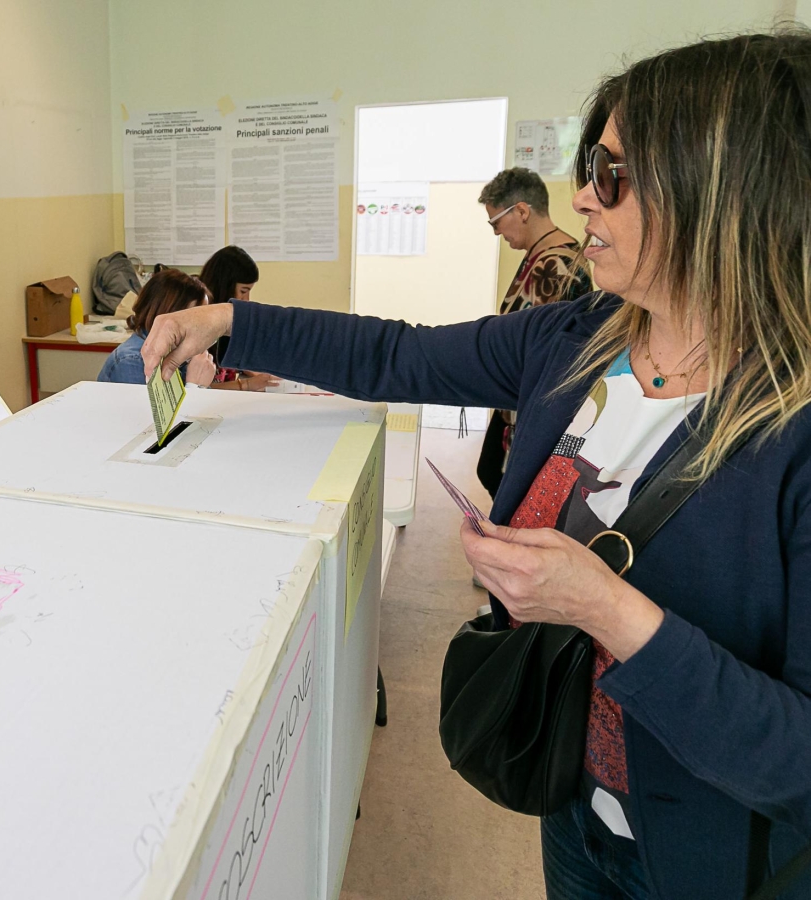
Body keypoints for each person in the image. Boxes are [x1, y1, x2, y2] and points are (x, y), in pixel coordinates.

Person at [142, 31, 811, 899]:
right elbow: (397, 356)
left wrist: (609, 611)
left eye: (612, 177)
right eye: (587, 167)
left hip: (714, 863)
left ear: (723, 195)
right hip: (571, 802)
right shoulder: (574, 342)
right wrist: (235, 320)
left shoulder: (788, 432)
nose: (581, 199)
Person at [477, 167, 592, 499]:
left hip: (532, 412)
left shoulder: (555, 265)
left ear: (522, 211)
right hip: (514, 407)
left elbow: (540, 356)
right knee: (489, 471)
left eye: (495, 222)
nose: (497, 233)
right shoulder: (542, 256)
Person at [97, 268, 216, 386]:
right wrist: (196, 386)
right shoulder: (132, 361)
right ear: (169, 314)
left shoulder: (176, 351)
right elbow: (152, 406)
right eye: (196, 319)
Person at [198, 245, 279, 392]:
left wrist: (251, 370)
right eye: (243, 291)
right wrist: (246, 385)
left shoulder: (230, 320)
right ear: (224, 286)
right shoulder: (200, 323)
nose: (246, 300)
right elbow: (196, 388)